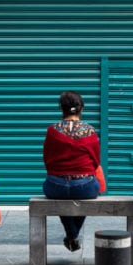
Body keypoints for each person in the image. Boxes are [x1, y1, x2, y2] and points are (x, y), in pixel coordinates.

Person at [42, 91, 101, 252]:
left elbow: (47, 158)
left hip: (56, 186)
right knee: (84, 193)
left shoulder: (52, 130)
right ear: (81, 108)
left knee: (64, 196)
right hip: (85, 187)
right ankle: (72, 235)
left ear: (61, 108)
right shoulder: (89, 130)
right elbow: (96, 161)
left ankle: (72, 235)